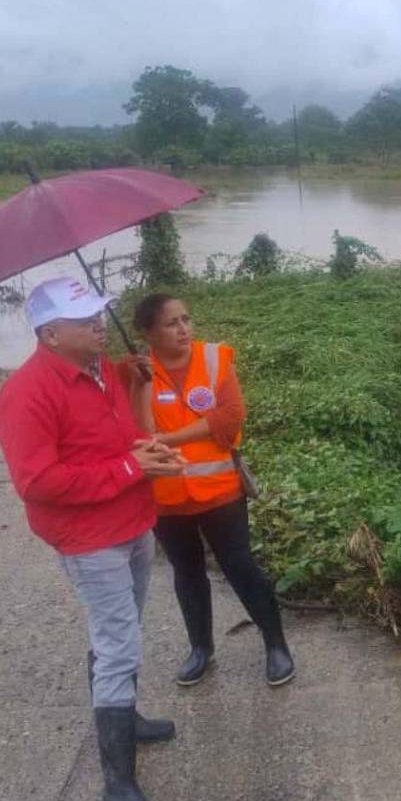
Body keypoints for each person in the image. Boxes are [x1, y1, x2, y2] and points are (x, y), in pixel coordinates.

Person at [0, 276, 184, 801]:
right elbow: (38, 482)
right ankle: (117, 787)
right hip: (87, 538)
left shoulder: (102, 371)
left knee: (121, 631)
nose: (101, 324)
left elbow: (114, 439)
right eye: (86, 320)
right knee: (120, 642)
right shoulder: (26, 393)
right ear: (50, 334)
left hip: (132, 521)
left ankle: (125, 714)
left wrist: (141, 447)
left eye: (100, 314)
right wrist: (131, 467)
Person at [128, 293, 295, 688]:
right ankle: (200, 648)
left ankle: (276, 644)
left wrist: (170, 437)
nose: (184, 329)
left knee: (241, 566)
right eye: (172, 323)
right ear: (148, 332)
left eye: (187, 319)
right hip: (167, 497)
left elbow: (229, 416)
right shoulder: (137, 371)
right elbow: (140, 434)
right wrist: (138, 389)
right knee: (186, 572)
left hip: (220, 490)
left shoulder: (214, 358)